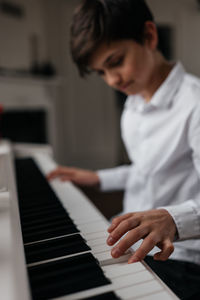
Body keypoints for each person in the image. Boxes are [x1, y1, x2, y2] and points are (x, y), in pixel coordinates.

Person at [47, 0, 200, 298]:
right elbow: (147, 171)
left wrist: (172, 218)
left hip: (182, 259)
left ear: (149, 36)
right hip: (133, 242)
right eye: (101, 72)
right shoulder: (132, 106)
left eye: (115, 62)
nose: (112, 80)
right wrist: (98, 178)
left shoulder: (195, 105)